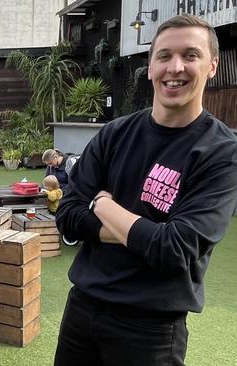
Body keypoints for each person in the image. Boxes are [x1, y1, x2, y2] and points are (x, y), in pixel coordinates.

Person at [53, 14, 237, 366]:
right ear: (150, 66)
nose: (175, 67)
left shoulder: (220, 152)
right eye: (164, 56)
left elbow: (174, 248)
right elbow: (68, 216)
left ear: (212, 66)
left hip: (151, 328)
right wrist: (141, 232)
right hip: (82, 309)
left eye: (190, 55)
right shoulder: (115, 134)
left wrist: (102, 204)